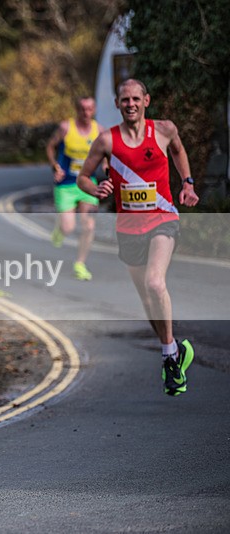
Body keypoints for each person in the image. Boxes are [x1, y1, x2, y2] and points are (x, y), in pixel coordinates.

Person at [76, 78, 199, 396]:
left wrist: (187, 183)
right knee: (146, 301)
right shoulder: (106, 141)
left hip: (163, 219)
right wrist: (96, 188)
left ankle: (169, 358)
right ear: (117, 104)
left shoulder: (164, 130)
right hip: (128, 228)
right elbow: (82, 178)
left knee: (155, 284)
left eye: (135, 99)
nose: (130, 104)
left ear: (146, 100)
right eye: (124, 100)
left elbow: (179, 150)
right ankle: (173, 348)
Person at [45, 96, 107, 281]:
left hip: (87, 184)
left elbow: (105, 152)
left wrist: (106, 164)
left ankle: (79, 264)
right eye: (82, 109)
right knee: (68, 228)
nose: (86, 113)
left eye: (89, 109)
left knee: (88, 225)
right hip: (66, 184)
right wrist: (54, 165)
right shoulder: (66, 128)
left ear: (94, 110)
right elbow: (50, 146)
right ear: (77, 109)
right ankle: (60, 229)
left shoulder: (99, 131)